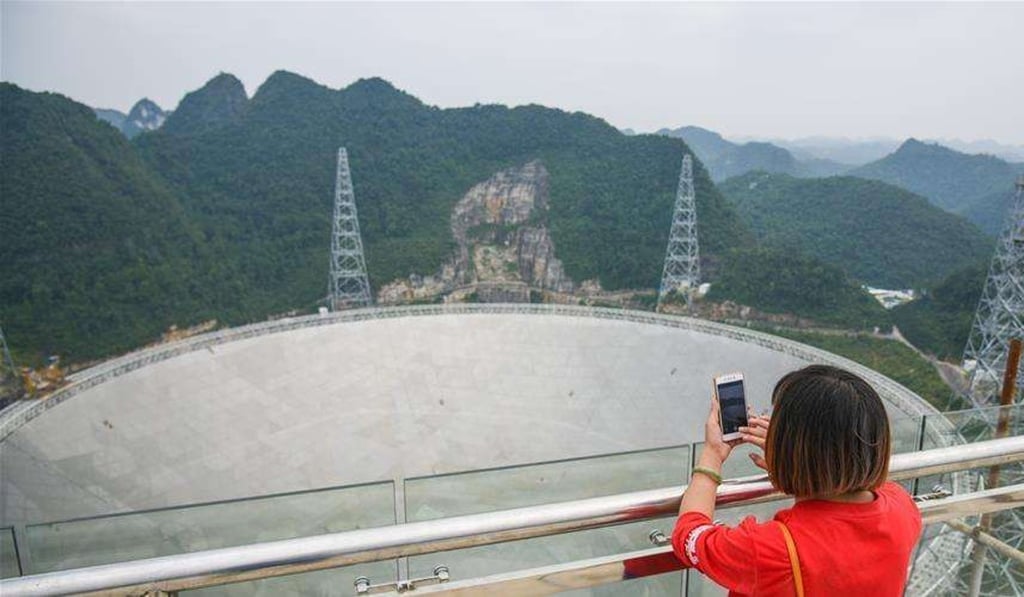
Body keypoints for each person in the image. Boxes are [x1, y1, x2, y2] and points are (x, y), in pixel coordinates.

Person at [671, 365, 922, 596]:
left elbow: (689, 536)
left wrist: (712, 454)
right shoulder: (902, 508)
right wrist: (795, 462)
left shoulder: (771, 550)